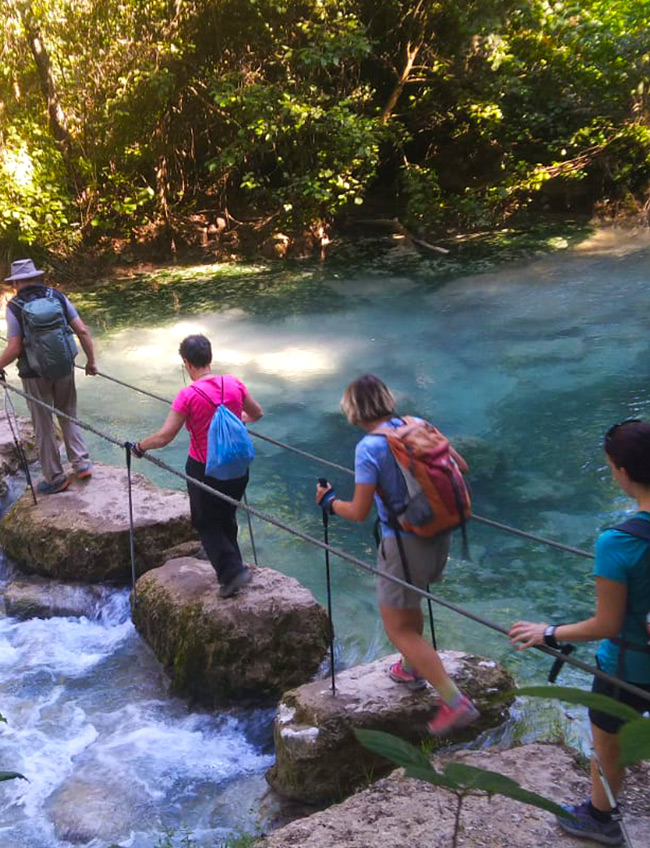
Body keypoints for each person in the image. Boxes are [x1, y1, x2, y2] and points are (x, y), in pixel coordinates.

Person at [509, 419, 650, 847]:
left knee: (606, 739)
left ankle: (599, 817)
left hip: (626, 667)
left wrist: (548, 631)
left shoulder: (618, 543)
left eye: (611, 467)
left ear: (622, 471)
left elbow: (606, 624)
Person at [315, 374, 479, 735]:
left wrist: (329, 502)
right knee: (410, 607)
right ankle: (410, 669)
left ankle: (455, 702)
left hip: (403, 545)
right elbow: (461, 468)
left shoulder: (368, 448)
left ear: (354, 410)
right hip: (440, 536)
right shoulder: (418, 424)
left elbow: (358, 512)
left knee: (398, 627)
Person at [132, 334, 263, 599]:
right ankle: (233, 562)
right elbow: (257, 413)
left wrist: (139, 446)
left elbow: (165, 436)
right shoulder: (234, 383)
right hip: (238, 466)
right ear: (210, 358)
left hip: (205, 470)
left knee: (205, 522)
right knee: (226, 515)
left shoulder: (188, 395)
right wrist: (237, 422)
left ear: (187, 363)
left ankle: (231, 573)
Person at [0, 258, 97, 494]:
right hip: (64, 366)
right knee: (68, 413)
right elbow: (82, 330)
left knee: (43, 424)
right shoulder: (57, 296)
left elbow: (14, 348)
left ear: (16, 283)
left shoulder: (14, 306)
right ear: (36, 277)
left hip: (34, 374)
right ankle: (82, 464)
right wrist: (91, 361)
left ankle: (54, 478)